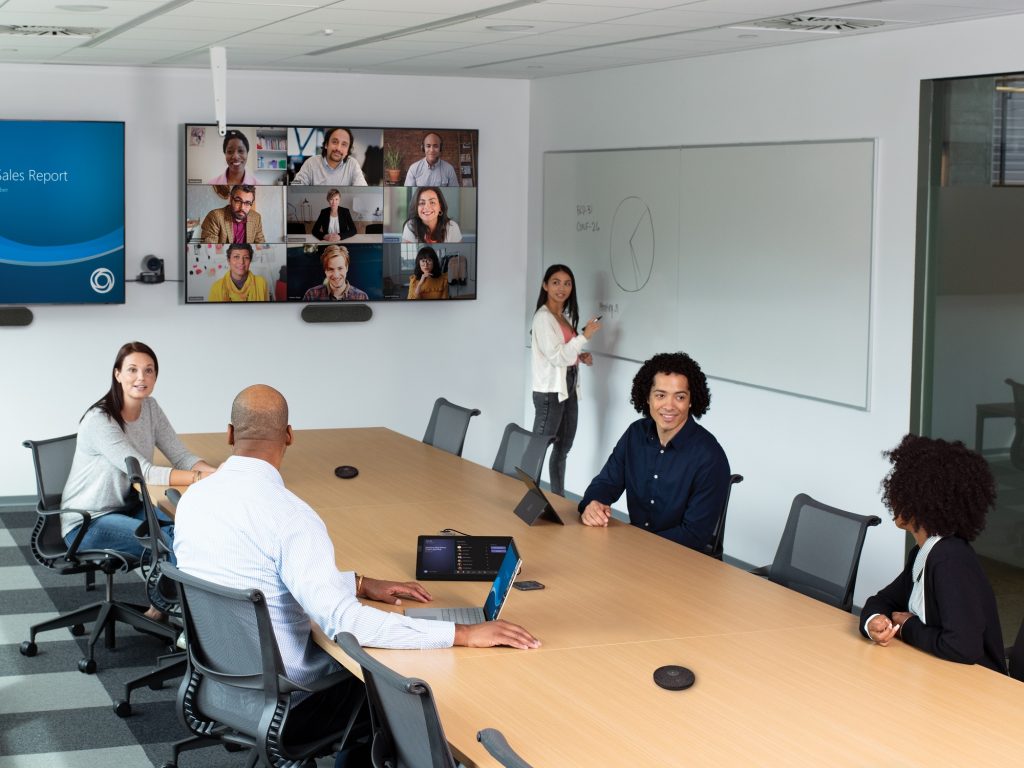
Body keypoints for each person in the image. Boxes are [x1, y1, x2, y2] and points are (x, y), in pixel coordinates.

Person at [172, 385, 540, 757]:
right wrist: (462, 633)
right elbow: (348, 625)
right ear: (289, 436)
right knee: (398, 691)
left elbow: (254, 573)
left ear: (230, 433)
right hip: (293, 702)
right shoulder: (291, 517)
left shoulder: (194, 500)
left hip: (219, 683)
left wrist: (359, 583)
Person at [60, 342, 217, 619]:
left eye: (149, 371)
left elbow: (179, 455)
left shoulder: (151, 408)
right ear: (117, 374)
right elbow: (143, 472)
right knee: (171, 540)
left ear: (156, 377)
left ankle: (163, 610)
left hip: (126, 505)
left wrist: (215, 473)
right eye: (132, 370)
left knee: (190, 528)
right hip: (88, 520)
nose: (141, 378)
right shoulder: (101, 420)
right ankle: (187, 620)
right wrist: (198, 477)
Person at [860, 434, 1006, 673]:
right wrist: (874, 622)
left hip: (977, 687)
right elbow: (882, 601)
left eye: (902, 492)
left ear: (923, 502)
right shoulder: (924, 552)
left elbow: (963, 647)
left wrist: (907, 627)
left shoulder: (950, 559)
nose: (893, 499)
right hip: (935, 673)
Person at [579, 352, 731, 551]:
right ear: (648, 398)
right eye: (660, 395)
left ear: (691, 401)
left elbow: (694, 535)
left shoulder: (710, 457)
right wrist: (593, 504)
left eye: (680, 397)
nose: (669, 406)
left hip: (681, 562)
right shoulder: (635, 434)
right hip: (636, 552)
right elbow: (606, 483)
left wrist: (637, 546)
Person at [530, 264, 600, 496]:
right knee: (538, 448)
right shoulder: (543, 318)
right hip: (550, 392)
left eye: (567, 283)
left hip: (568, 389)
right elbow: (557, 356)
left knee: (563, 448)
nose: (562, 288)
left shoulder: (563, 316)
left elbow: (564, 352)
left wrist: (580, 356)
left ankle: (557, 499)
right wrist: (584, 337)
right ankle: (525, 498)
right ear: (545, 285)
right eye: (556, 282)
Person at [291, 127, 367, 186]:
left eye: (344, 144)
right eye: (334, 142)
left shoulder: (352, 165)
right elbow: (295, 185)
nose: (338, 148)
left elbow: (363, 192)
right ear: (326, 144)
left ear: (347, 151)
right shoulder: (311, 163)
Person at [200, 184, 265, 244]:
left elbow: (260, 245)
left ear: (251, 204)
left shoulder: (256, 217)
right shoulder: (215, 216)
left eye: (247, 203)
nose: (242, 208)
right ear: (231, 199)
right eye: (238, 201)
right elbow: (209, 249)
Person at [303, 245, 368, 301]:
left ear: (347, 268)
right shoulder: (311, 295)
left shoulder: (361, 297)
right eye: (331, 269)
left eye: (340, 268)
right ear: (325, 271)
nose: (336, 275)